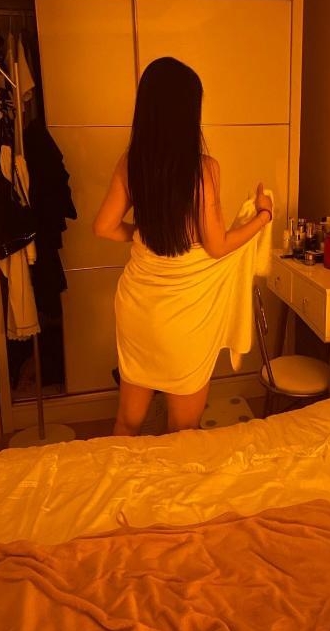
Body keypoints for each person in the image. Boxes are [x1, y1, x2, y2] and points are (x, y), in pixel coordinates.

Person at [93, 57, 273, 436]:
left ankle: (119, 476)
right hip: (185, 316)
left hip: (138, 309)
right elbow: (217, 246)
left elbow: (104, 227)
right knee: (184, 428)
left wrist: (143, 233)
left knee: (127, 421)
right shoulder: (204, 170)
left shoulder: (130, 164)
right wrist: (263, 217)